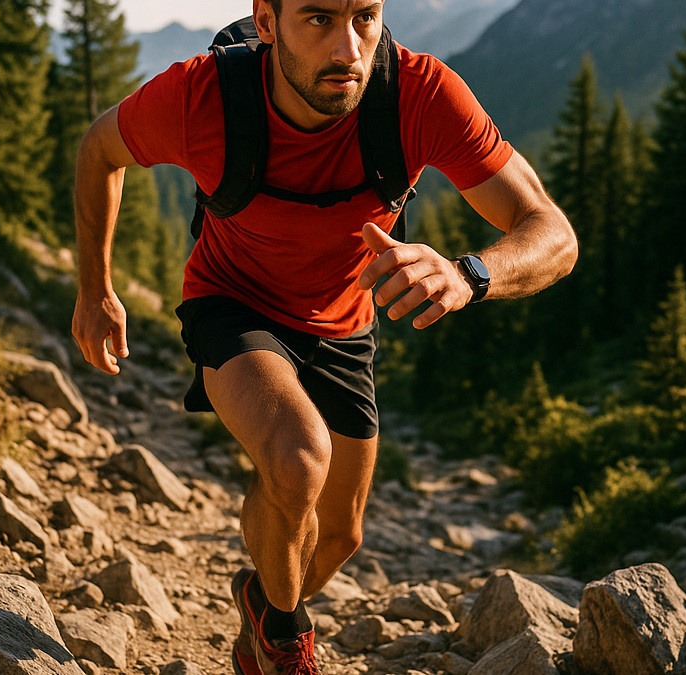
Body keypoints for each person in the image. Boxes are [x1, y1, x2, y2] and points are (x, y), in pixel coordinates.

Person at [71, 1, 578, 672]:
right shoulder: (204, 97)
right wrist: (94, 286)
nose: (348, 48)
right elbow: (100, 149)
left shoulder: (418, 94)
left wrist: (468, 273)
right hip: (233, 302)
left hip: (343, 324)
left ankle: (260, 596)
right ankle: (283, 637)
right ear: (267, 21)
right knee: (298, 457)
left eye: (364, 16)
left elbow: (553, 233)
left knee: (338, 534)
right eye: (317, 18)